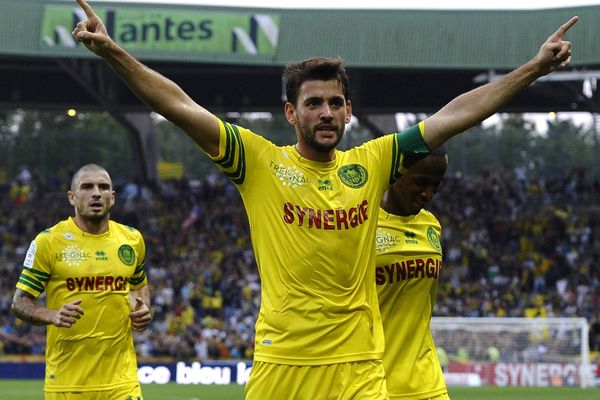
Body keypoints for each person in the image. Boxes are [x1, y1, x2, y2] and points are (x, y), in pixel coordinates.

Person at [71, 0, 577, 397]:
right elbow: (179, 106)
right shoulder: (258, 161)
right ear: (291, 113)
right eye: (314, 103)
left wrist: (531, 69)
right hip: (283, 363)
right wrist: (113, 51)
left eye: (336, 102)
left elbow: (456, 114)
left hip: (359, 367)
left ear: (349, 110)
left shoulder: (373, 163)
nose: (326, 112)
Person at [11, 164, 151, 400]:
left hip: (122, 383)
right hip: (67, 385)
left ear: (113, 197)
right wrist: (52, 315)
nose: (96, 193)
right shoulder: (49, 241)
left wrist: (143, 306)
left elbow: (139, 285)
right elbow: (19, 302)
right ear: (72, 197)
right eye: (87, 187)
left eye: (103, 187)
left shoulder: (132, 239)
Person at [375, 148, 450, 399]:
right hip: (373, 383)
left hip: (427, 383)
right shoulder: (361, 224)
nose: (428, 194)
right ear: (396, 173)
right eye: (421, 182)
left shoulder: (431, 226)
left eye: (436, 186)